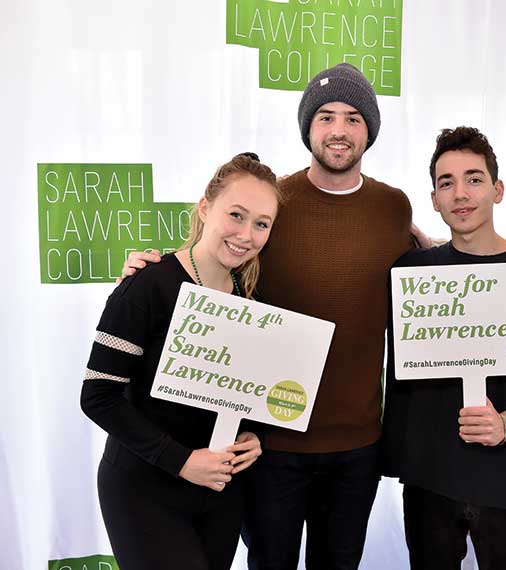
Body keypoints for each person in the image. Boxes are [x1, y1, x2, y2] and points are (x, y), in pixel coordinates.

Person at [120, 63, 415, 570]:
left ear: (370, 130)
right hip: (268, 443)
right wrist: (157, 266)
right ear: (308, 128)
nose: (339, 130)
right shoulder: (274, 200)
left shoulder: (394, 208)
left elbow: (421, 266)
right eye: (325, 117)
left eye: (352, 118)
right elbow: (223, 247)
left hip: (358, 444)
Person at [81, 153, 281, 570]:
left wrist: (254, 437)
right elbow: (98, 396)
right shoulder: (146, 285)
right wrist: (182, 461)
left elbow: (245, 399)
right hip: (145, 489)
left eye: (261, 223)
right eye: (236, 215)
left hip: (220, 493)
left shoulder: (253, 304)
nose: (246, 234)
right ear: (206, 207)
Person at [382, 127, 506, 570]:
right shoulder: (411, 272)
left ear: (497, 189)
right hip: (429, 479)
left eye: (474, 179)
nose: (460, 193)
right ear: (433, 199)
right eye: (446, 183)